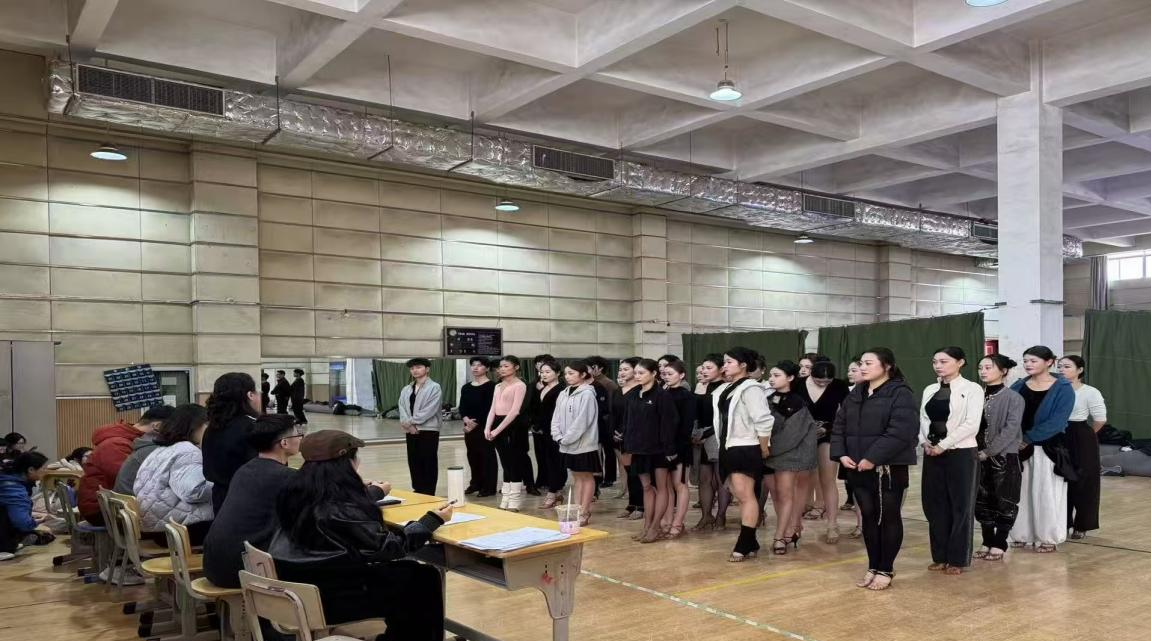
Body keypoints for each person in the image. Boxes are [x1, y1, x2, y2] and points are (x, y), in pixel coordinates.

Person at [268, 430, 450, 641]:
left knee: (411, 573)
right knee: (422, 578)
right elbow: (391, 548)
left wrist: (367, 494)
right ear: (345, 462)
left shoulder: (296, 492)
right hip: (329, 597)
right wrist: (430, 521)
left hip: (300, 584)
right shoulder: (339, 507)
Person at [831, 348, 918, 591]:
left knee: (888, 516)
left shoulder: (900, 393)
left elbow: (901, 431)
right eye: (861, 363)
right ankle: (873, 566)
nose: (863, 367)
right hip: (858, 466)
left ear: (887, 366)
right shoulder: (857, 392)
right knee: (868, 516)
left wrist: (873, 457)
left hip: (887, 468)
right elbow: (839, 426)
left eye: (869, 363)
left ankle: (886, 568)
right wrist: (841, 454)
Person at [203, 415, 302, 588]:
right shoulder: (285, 477)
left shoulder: (245, 469)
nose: (300, 438)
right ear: (284, 443)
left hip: (214, 563)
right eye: (297, 434)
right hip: (241, 568)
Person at [919, 347, 984, 575]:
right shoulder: (930, 389)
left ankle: (957, 559)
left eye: (944, 361)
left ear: (960, 362)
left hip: (961, 453)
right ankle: (940, 556)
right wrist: (925, 442)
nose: (938, 366)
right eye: (935, 361)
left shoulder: (972, 389)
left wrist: (943, 445)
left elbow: (971, 424)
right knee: (935, 505)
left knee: (961, 506)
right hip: (932, 453)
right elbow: (923, 419)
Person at [1009, 346, 1075, 552]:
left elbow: (1058, 421)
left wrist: (1028, 438)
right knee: (1020, 493)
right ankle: (1020, 534)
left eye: (1033, 361)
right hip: (1019, 448)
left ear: (1049, 362)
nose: (1028, 364)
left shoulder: (1063, 388)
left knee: (1046, 493)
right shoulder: (1018, 385)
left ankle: (1048, 538)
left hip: (1048, 448)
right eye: (1025, 361)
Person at [713, 347, 773, 561]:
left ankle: (744, 542)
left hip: (745, 447)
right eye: (724, 362)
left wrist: (763, 448)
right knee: (740, 495)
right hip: (728, 446)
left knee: (746, 495)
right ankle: (751, 540)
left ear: (743, 365)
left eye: (729, 362)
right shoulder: (727, 388)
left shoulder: (751, 388)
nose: (725, 366)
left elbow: (764, 420)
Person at [77, 405, 174, 525]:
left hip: (109, 503)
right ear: (157, 426)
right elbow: (129, 480)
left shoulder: (124, 440)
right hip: (99, 509)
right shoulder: (115, 444)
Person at [134, 404, 214, 545]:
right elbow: (194, 491)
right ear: (194, 426)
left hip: (160, 527)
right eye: (207, 425)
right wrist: (225, 484)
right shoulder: (187, 451)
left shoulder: (161, 450)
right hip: (179, 531)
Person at [974, 354, 1024, 562]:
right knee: (981, 500)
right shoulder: (975, 394)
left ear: (1003, 371)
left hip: (1004, 456)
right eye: (981, 367)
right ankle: (987, 540)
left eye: (989, 367)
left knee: (1005, 500)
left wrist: (988, 451)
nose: (983, 371)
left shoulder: (1013, 398)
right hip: (975, 456)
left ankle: (1000, 541)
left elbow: (1011, 430)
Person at [765, 361, 818, 555]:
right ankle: (789, 529)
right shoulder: (767, 399)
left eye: (777, 375)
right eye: (771, 375)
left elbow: (791, 436)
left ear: (790, 378)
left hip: (787, 456)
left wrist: (767, 449)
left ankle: (780, 536)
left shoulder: (798, 403)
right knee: (777, 495)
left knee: (785, 494)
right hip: (768, 455)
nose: (772, 379)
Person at [623, 359, 679, 544]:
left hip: (658, 450)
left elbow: (669, 423)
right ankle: (647, 526)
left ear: (654, 374)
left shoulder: (662, 396)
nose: (637, 376)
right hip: (639, 449)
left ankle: (656, 527)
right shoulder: (633, 395)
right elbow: (629, 422)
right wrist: (628, 445)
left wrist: (669, 448)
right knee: (646, 487)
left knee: (661, 488)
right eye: (636, 373)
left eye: (641, 373)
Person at [796, 361, 850, 543]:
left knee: (828, 480)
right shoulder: (798, 384)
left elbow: (846, 413)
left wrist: (827, 428)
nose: (822, 384)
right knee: (801, 480)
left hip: (828, 434)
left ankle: (832, 524)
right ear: (811, 375)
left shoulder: (839, 386)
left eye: (827, 382)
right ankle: (795, 524)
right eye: (818, 381)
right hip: (801, 436)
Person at [1058, 355, 1106, 540]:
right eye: (1060, 366)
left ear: (1079, 370)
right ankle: (1062, 523)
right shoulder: (1055, 389)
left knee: (1084, 481)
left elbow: (1100, 419)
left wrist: (1086, 436)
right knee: (1060, 480)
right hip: (1058, 434)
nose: (1062, 370)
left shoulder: (1090, 392)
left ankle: (1082, 525)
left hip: (1081, 434)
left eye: (1067, 366)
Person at [201, 372, 261, 513]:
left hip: (220, 498)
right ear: (250, 395)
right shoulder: (253, 427)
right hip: (249, 500)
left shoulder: (212, 428)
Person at [552, 360, 601, 526]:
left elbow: (583, 421)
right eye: (566, 373)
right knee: (576, 477)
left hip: (584, 444)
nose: (567, 376)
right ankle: (577, 509)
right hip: (566, 443)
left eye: (571, 373)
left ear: (583, 374)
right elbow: (556, 417)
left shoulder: (587, 394)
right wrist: (557, 435)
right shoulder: (563, 393)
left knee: (586, 476)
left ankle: (584, 511)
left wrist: (567, 438)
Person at [486, 356, 529, 511]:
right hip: (497, 423)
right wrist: (487, 428)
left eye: (506, 366)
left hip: (513, 425)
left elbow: (515, 411)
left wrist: (497, 430)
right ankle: (505, 498)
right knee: (505, 463)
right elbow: (492, 408)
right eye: (500, 366)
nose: (502, 369)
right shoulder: (498, 386)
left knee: (513, 463)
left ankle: (514, 500)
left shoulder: (520, 385)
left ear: (516, 367)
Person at [660, 360, 696, 539]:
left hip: (680, 447)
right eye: (664, 374)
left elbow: (686, 426)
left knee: (679, 484)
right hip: (663, 447)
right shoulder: (662, 394)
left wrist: (674, 448)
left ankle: (678, 522)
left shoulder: (686, 396)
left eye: (670, 374)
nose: (666, 377)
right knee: (666, 486)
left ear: (681, 375)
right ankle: (667, 521)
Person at [692, 354, 727, 531]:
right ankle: (706, 515)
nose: (704, 371)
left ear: (721, 369)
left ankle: (721, 515)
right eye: (703, 368)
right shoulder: (700, 386)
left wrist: (707, 433)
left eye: (709, 368)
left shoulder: (726, 388)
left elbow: (724, 417)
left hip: (718, 436)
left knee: (721, 479)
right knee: (704, 478)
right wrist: (696, 433)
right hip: (700, 436)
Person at [398, 358, 442, 496]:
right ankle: (418, 489)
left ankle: (428, 491)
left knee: (428, 460)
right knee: (414, 460)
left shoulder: (434, 387)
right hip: (410, 430)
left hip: (428, 429)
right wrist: (408, 425)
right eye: (412, 368)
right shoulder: (406, 389)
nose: (415, 370)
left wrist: (412, 422)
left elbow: (430, 409)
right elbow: (401, 407)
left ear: (427, 369)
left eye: (418, 367)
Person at [1, 451, 52, 560]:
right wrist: (39, 521)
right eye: (43, 468)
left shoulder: (6, 477)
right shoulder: (13, 488)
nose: (45, 472)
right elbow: (22, 523)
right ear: (31, 470)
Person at [459, 357, 497, 497]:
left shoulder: (492, 386)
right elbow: (462, 406)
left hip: (485, 426)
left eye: (479, 365)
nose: (475, 368)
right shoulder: (466, 387)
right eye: (473, 365)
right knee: (472, 455)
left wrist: (474, 424)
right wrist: (465, 419)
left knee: (486, 456)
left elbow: (489, 408)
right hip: (469, 426)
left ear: (487, 368)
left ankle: (488, 487)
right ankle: (475, 483)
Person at [533, 360, 566, 509]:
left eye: (547, 372)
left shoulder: (562, 390)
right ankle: (556, 492)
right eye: (542, 372)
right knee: (547, 461)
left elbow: (557, 413)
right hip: (542, 431)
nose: (544, 375)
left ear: (557, 373)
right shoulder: (542, 388)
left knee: (556, 462)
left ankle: (552, 493)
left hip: (556, 431)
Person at [614, 358, 644, 520]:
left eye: (626, 369)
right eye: (620, 369)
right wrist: (614, 431)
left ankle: (641, 506)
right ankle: (632, 504)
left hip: (634, 436)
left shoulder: (640, 390)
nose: (622, 372)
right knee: (628, 471)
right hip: (619, 437)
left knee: (636, 472)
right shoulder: (618, 390)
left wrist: (625, 432)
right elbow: (612, 413)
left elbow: (638, 417)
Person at [588, 356, 619, 490]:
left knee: (609, 451)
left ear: (600, 368)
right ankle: (599, 476)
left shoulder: (608, 383)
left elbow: (612, 405)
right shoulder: (590, 383)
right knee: (597, 450)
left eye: (592, 367)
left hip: (607, 421)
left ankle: (610, 477)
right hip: (596, 422)